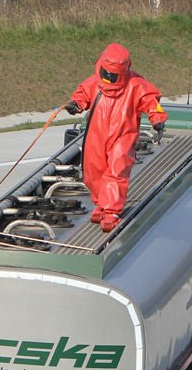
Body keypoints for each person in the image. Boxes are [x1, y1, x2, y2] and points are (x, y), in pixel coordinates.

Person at [66, 43, 168, 232]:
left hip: (123, 136)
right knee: (93, 171)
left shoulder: (135, 85)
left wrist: (158, 119)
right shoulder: (94, 83)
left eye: (112, 76)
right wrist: (76, 104)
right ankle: (102, 205)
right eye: (105, 74)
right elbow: (82, 95)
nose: (108, 79)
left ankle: (111, 211)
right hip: (96, 134)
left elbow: (152, 102)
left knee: (116, 170)